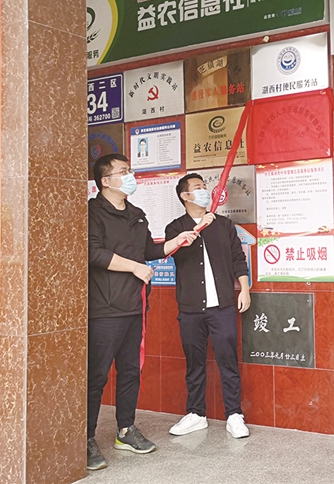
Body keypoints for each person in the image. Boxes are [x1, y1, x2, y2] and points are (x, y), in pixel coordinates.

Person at [87, 154, 197, 470]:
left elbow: (149, 251)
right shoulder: (92, 212)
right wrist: (135, 267)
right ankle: (85, 438)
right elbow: (92, 252)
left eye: (130, 170)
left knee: (130, 373)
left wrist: (177, 241)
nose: (130, 176)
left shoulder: (136, 215)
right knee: (96, 376)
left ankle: (125, 429)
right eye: (123, 172)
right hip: (104, 308)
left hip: (135, 307)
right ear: (105, 181)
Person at [165, 173, 252, 439]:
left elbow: (238, 258)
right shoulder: (175, 228)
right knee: (195, 363)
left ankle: (234, 415)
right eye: (198, 188)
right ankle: (196, 414)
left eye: (205, 186)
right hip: (191, 307)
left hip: (222, 306)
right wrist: (198, 227)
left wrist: (244, 289)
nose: (204, 191)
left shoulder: (224, 225)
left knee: (228, 360)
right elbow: (177, 253)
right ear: (185, 196)